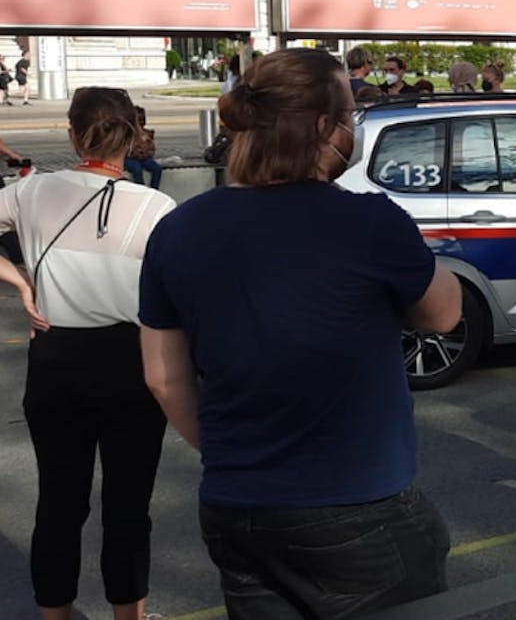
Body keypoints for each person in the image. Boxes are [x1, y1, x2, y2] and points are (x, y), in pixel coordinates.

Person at [139, 50, 462, 618]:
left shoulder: (177, 229)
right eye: (351, 114)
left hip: (236, 509)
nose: (354, 127)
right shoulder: (369, 221)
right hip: (359, 507)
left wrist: (231, 455)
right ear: (323, 127)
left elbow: (163, 379)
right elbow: (442, 317)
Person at [3, 88, 174, 620]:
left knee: (59, 502)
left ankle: (56, 615)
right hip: (129, 360)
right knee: (128, 507)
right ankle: (130, 617)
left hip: (54, 357)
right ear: (134, 133)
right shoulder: (157, 206)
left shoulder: (30, 192)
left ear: (74, 134)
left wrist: (20, 283)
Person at [123, 106, 163, 189]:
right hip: (130, 158)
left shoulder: (147, 133)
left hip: (143, 158)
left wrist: (147, 153)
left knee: (157, 168)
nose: (141, 122)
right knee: (137, 169)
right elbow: (126, 150)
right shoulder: (127, 133)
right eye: (139, 120)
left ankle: (154, 189)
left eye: (143, 119)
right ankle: (141, 189)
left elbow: (151, 148)